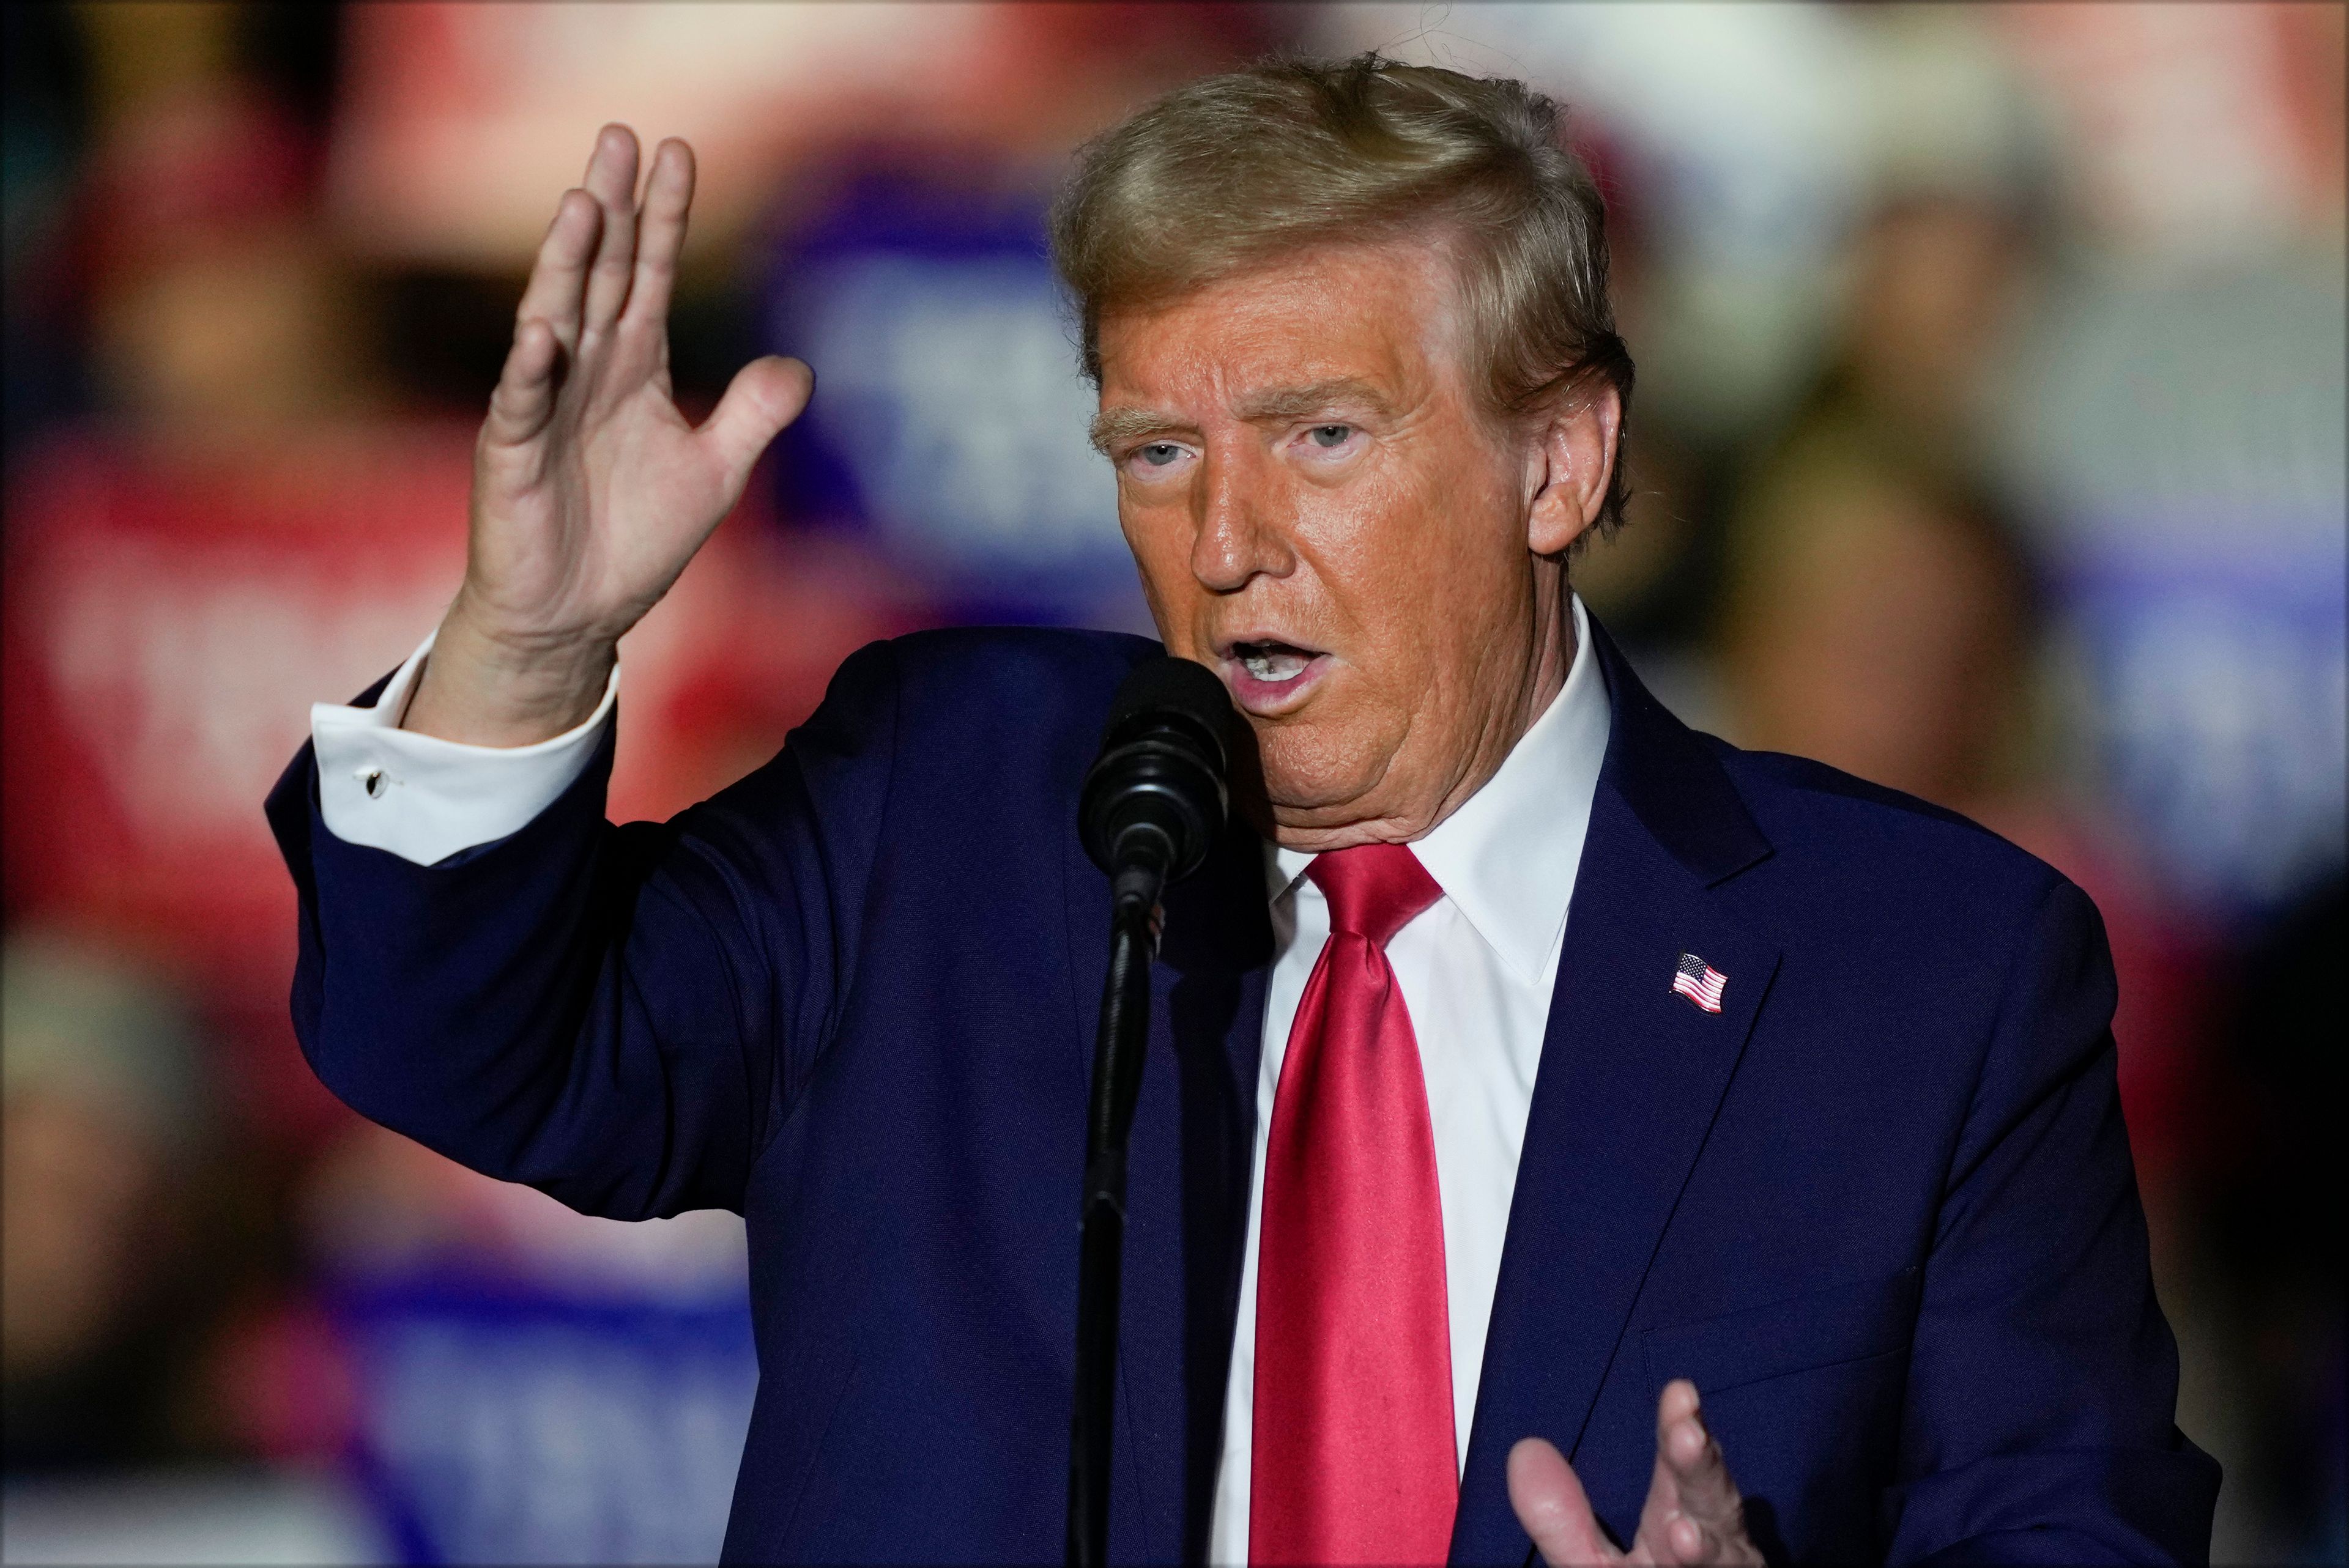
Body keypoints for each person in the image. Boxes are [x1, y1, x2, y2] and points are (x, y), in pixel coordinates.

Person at [269, 57, 2216, 1564]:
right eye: (1159, 449)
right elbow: (470, 1042)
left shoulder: (1921, 970)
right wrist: (527, 640)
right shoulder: (953, 809)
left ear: (1560, 457)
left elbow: (2082, 1523)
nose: (1224, 543)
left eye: (1323, 438)